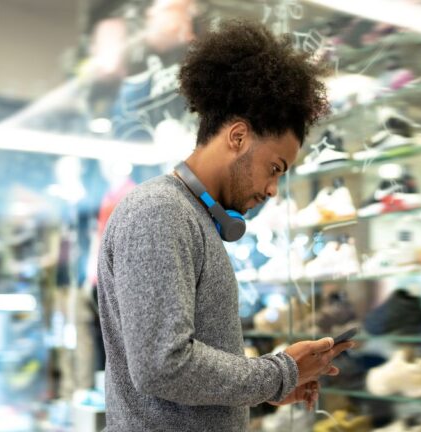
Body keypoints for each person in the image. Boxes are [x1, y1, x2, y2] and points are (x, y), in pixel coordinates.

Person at [97, 20, 352, 431]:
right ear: (237, 137)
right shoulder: (160, 212)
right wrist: (279, 373)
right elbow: (163, 365)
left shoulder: (190, 215)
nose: (272, 189)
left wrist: (267, 389)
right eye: (274, 168)